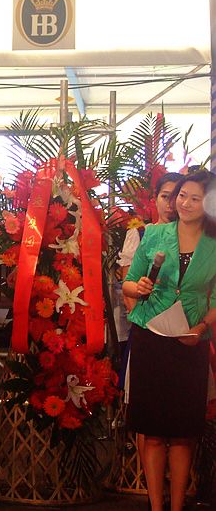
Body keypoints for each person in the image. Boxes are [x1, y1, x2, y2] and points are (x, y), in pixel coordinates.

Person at [123, 169, 216, 511]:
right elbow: (128, 283)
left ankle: (177, 505)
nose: (185, 203)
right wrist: (138, 288)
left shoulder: (214, 244)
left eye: (195, 198)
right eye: (182, 196)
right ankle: (156, 506)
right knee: (152, 430)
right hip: (151, 338)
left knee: (182, 433)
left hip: (190, 341)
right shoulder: (154, 234)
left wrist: (201, 327)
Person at [115, 172, 183, 463]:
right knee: (147, 408)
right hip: (147, 329)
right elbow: (127, 284)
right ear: (154, 199)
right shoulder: (142, 234)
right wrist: (140, 316)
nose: (171, 204)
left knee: (181, 409)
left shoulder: (194, 236)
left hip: (183, 331)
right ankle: (150, 477)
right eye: (165, 196)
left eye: (177, 197)